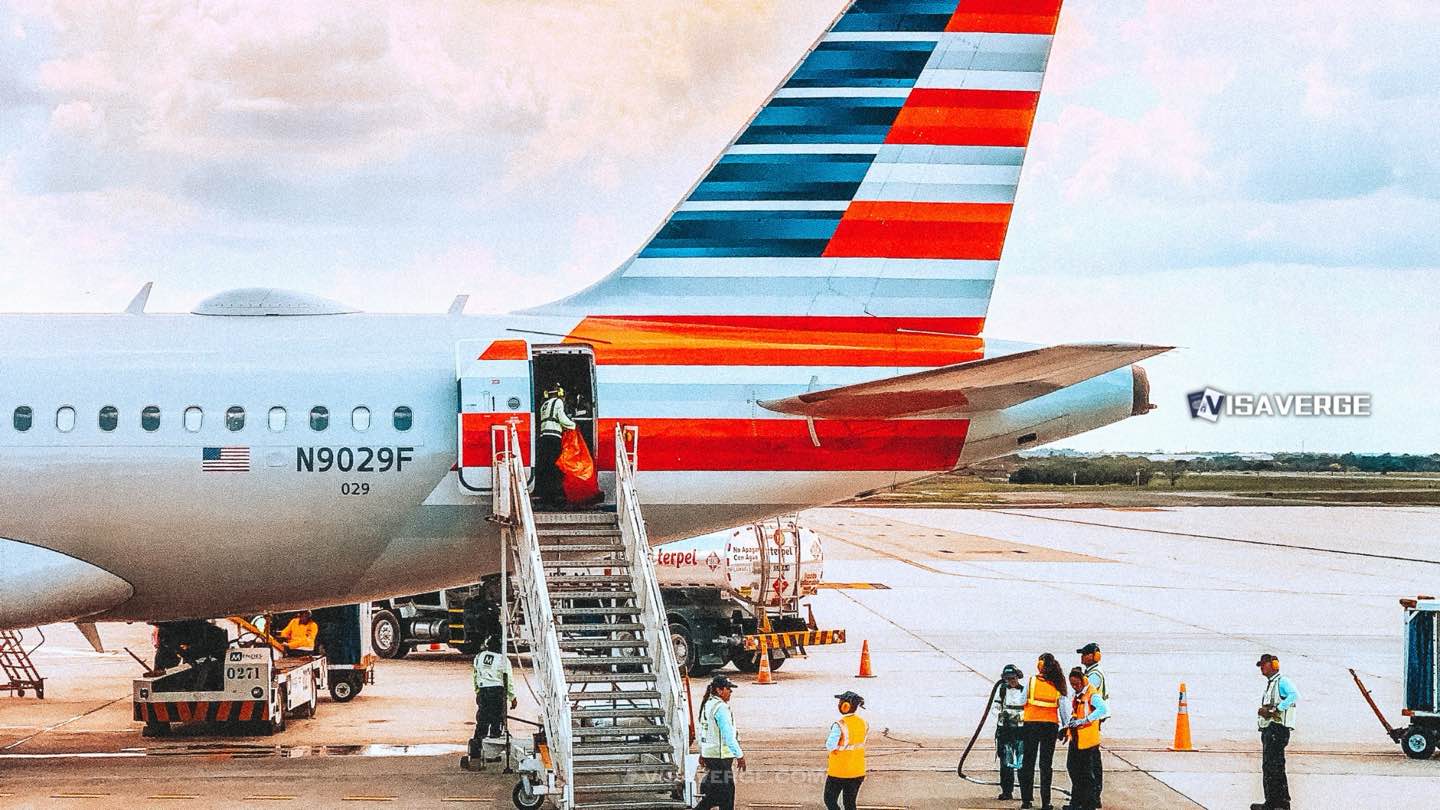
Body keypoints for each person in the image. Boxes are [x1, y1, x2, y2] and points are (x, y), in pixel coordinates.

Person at [1019, 652, 1070, 810]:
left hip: (1031, 725)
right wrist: (1066, 729)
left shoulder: (1031, 681)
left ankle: (1026, 801)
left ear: (1040, 665)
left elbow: (1022, 701)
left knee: (1027, 763)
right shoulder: (1058, 683)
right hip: (1050, 727)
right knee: (1045, 766)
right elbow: (1064, 710)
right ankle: (1046, 802)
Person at [1252, 653, 1298, 810]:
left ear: (1274, 665)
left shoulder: (1282, 681)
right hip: (1269, 729)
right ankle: (1272, 802)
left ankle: (1280, 803)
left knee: (1275, 766)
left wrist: (1277, 709)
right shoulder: (1271, 683)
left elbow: (1294, 695)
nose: (1262, 668)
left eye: (1264, 665)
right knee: (1269, 766)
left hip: (1277, 730)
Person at [696, 675, 745, 810]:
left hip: (711, 756)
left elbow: (703, 732)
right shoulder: (721, 708)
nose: (731, 692)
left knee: (718, 794)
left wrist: (702, 752)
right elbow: (728, 736)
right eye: (728, 689)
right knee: (726, 795)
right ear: (719, 690)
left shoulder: (708, 704)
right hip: (721, 757)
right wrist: (739, 755)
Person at [1063, 667, 1109, 810]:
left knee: (1086, 773)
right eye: (1072, 684)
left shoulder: (1092, 694)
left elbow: (1103, 709)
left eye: (1077, 684)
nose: (1075, 687)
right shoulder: (1078, 694)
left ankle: (1088, 803)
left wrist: (1084, 720)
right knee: (1072, 768)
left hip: (1088, 740)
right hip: (1076, 738)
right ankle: (1076, 802)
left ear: (1083, 681)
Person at [470, 635, 517, 758]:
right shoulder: (503, 659)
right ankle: (492, 753)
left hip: (483, 690)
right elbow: (509, 680)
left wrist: (477, 691)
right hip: (497, 691)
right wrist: (512, 697)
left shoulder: (479, 657)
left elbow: (475, 675)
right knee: (496, 720)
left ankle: (477, 749)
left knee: (482, 720)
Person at [824, 690, 867, 810]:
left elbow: (830, 745)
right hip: (858, 771)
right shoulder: (863, 723)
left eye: (840, 702)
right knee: (850, 804)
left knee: (830, 800)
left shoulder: (840, 725)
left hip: (839, 771)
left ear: (845, 706)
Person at [1077, 642, 1108, 803]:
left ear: (1094, 656)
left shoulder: (1094, 675)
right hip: (1089, 720)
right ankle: (1092, 795)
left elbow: (1087, 693)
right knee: (1091, 758)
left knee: (1091, 759)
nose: (1082, 657)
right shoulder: (1090, 672)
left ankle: (1093, 795)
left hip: (1090, 721)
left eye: (1085, 654)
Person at [535, 385, 575, 507]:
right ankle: (553, 496)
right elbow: (561, 418)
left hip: (543, 437)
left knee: (546, 467)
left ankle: (545, 494)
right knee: (554, 467)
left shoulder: (544, 404)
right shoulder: (558, 402)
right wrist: (573, 425)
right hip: (553, 438)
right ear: (559, 393)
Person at [993, 664, 1027, 801]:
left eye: (1013, 678)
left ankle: (1025, 793)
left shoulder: (1025, 691)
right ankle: (1007, 791)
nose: (1011, 681)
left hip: (1020, 730)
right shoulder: (1001, 691)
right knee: (1006, 762)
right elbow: (995, 707)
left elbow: (1029, 708)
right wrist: (1002, 715)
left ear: (1018, 677)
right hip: (1005, 731)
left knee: (1022, 762)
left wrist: (1020, 717)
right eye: (1008, 679)